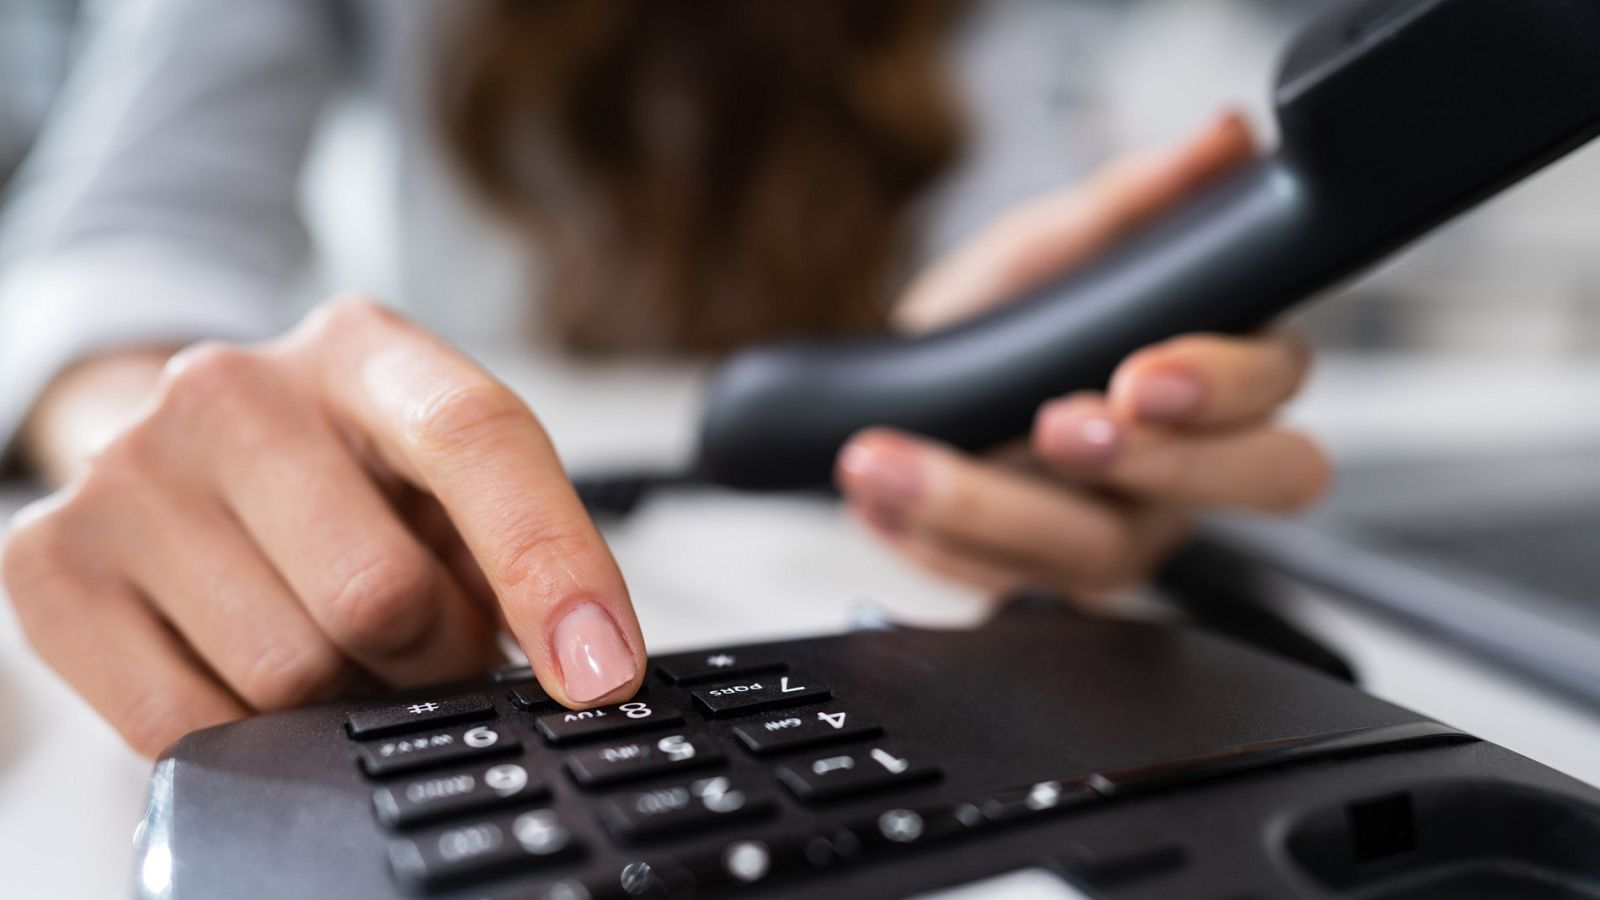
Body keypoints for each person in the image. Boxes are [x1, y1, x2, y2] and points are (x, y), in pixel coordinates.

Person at [0, 0, 1327, 757]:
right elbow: (127, 233)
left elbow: (1027, 208)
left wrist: (1054, 388)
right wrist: (162, 435)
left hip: (898, 577)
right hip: (458, 546)